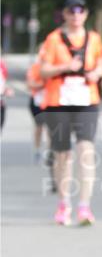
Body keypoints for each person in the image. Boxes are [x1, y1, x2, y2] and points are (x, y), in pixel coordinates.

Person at [38, 0, 102, 226]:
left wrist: (96, 73)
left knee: (86, 151)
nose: (76, 15)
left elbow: (100, 64)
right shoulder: (53, 40)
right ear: (65, 14)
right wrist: (66, 67)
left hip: (87, 100)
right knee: (62, 155)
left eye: (80, 11)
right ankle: (63, 203)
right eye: (71, 11)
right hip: (58, 101)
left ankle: (84, 207)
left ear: (86, 14)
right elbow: (43, 70)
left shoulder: (94, 39)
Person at [26, 50, 56, 192]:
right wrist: (44, 84)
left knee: (51, 130)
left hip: (51, 103)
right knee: (39, 127)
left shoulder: (54, 66)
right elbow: (31, 84)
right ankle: (38, 150)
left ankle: (50, 151)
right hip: (37, 102)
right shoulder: (35, 67)